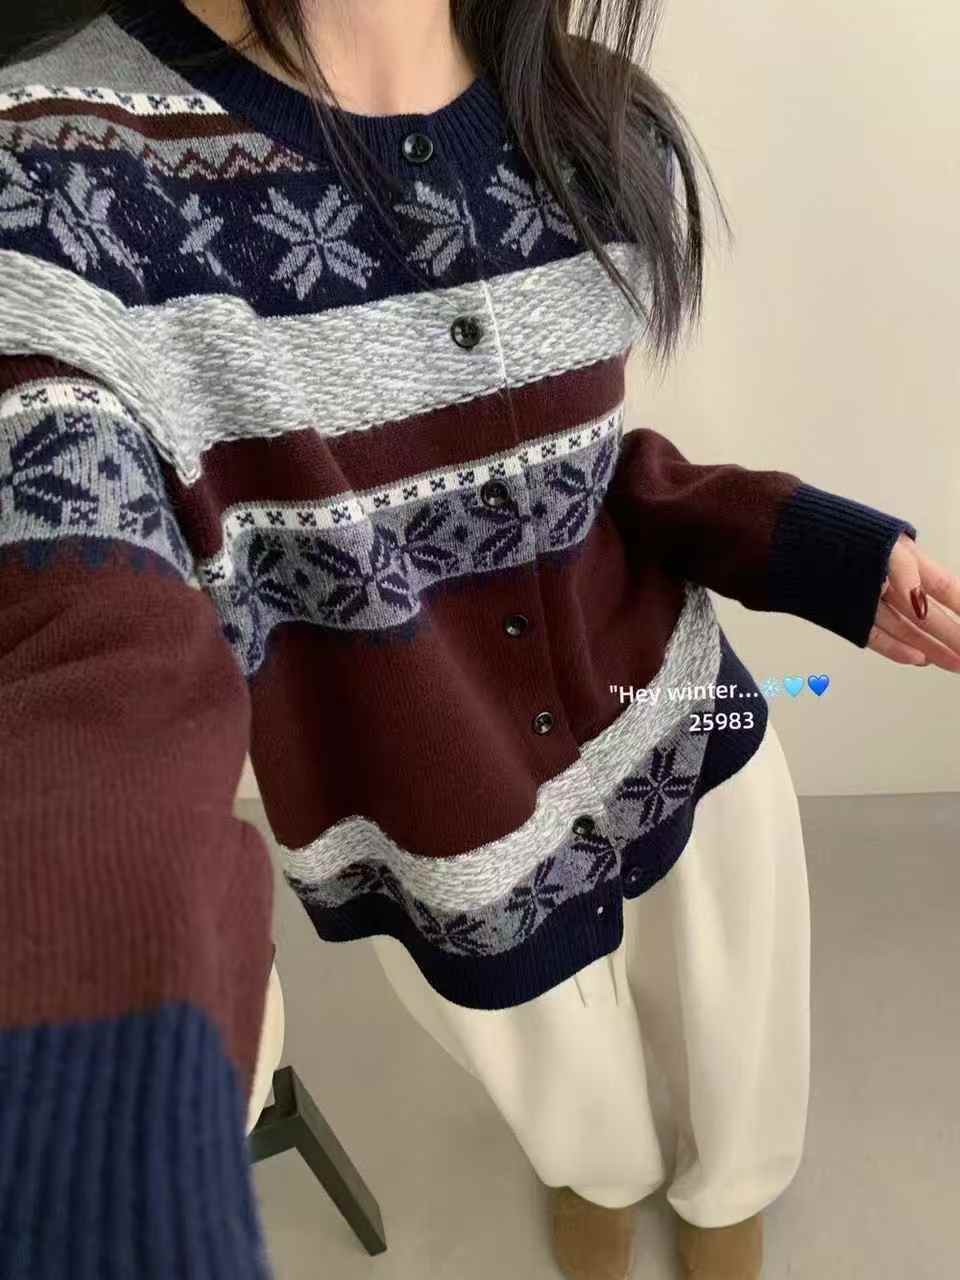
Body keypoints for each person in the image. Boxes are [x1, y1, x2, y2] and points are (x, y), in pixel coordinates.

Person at [1, 2, 958, 1277]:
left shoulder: (595, 118)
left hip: (690, 727)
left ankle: (731, 1192)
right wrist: (100, 1060)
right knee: (573, 1105)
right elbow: (76, 653)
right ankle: (603, 1180)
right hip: (443, 835)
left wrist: (813, 548)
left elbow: (584, 478)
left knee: (742, 1039)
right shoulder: (55, 176)